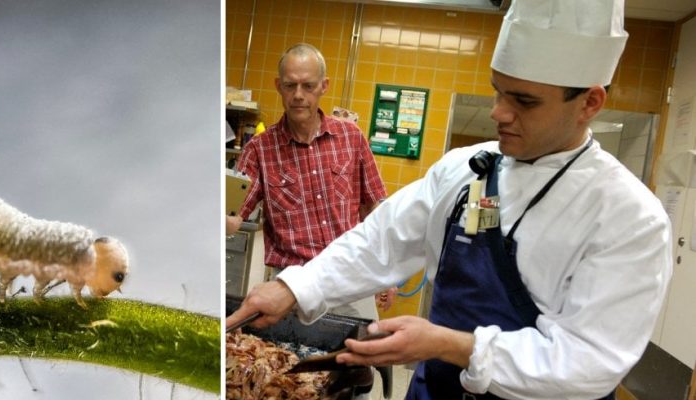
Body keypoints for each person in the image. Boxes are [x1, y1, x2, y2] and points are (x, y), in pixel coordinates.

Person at [226, 1, 673, 399]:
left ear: (590, 102)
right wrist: (295, 286)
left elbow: (587, 362)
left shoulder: (628, 216)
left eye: (524, 101)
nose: (498, 111)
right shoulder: (463, 168)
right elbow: (380, 239)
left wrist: (450, 344)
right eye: (498, 89)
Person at [225, 43, 395, 317]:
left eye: (308, 86)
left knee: (357, 354)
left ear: (324, 85)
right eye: (290, 86)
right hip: (291, 286)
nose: (298, 95)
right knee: (277, 358)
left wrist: (386, 268)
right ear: (278, 86)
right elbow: (233, 216)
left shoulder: (351, 138)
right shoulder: (260, 149)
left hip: (351, 278)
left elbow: (375, 208)